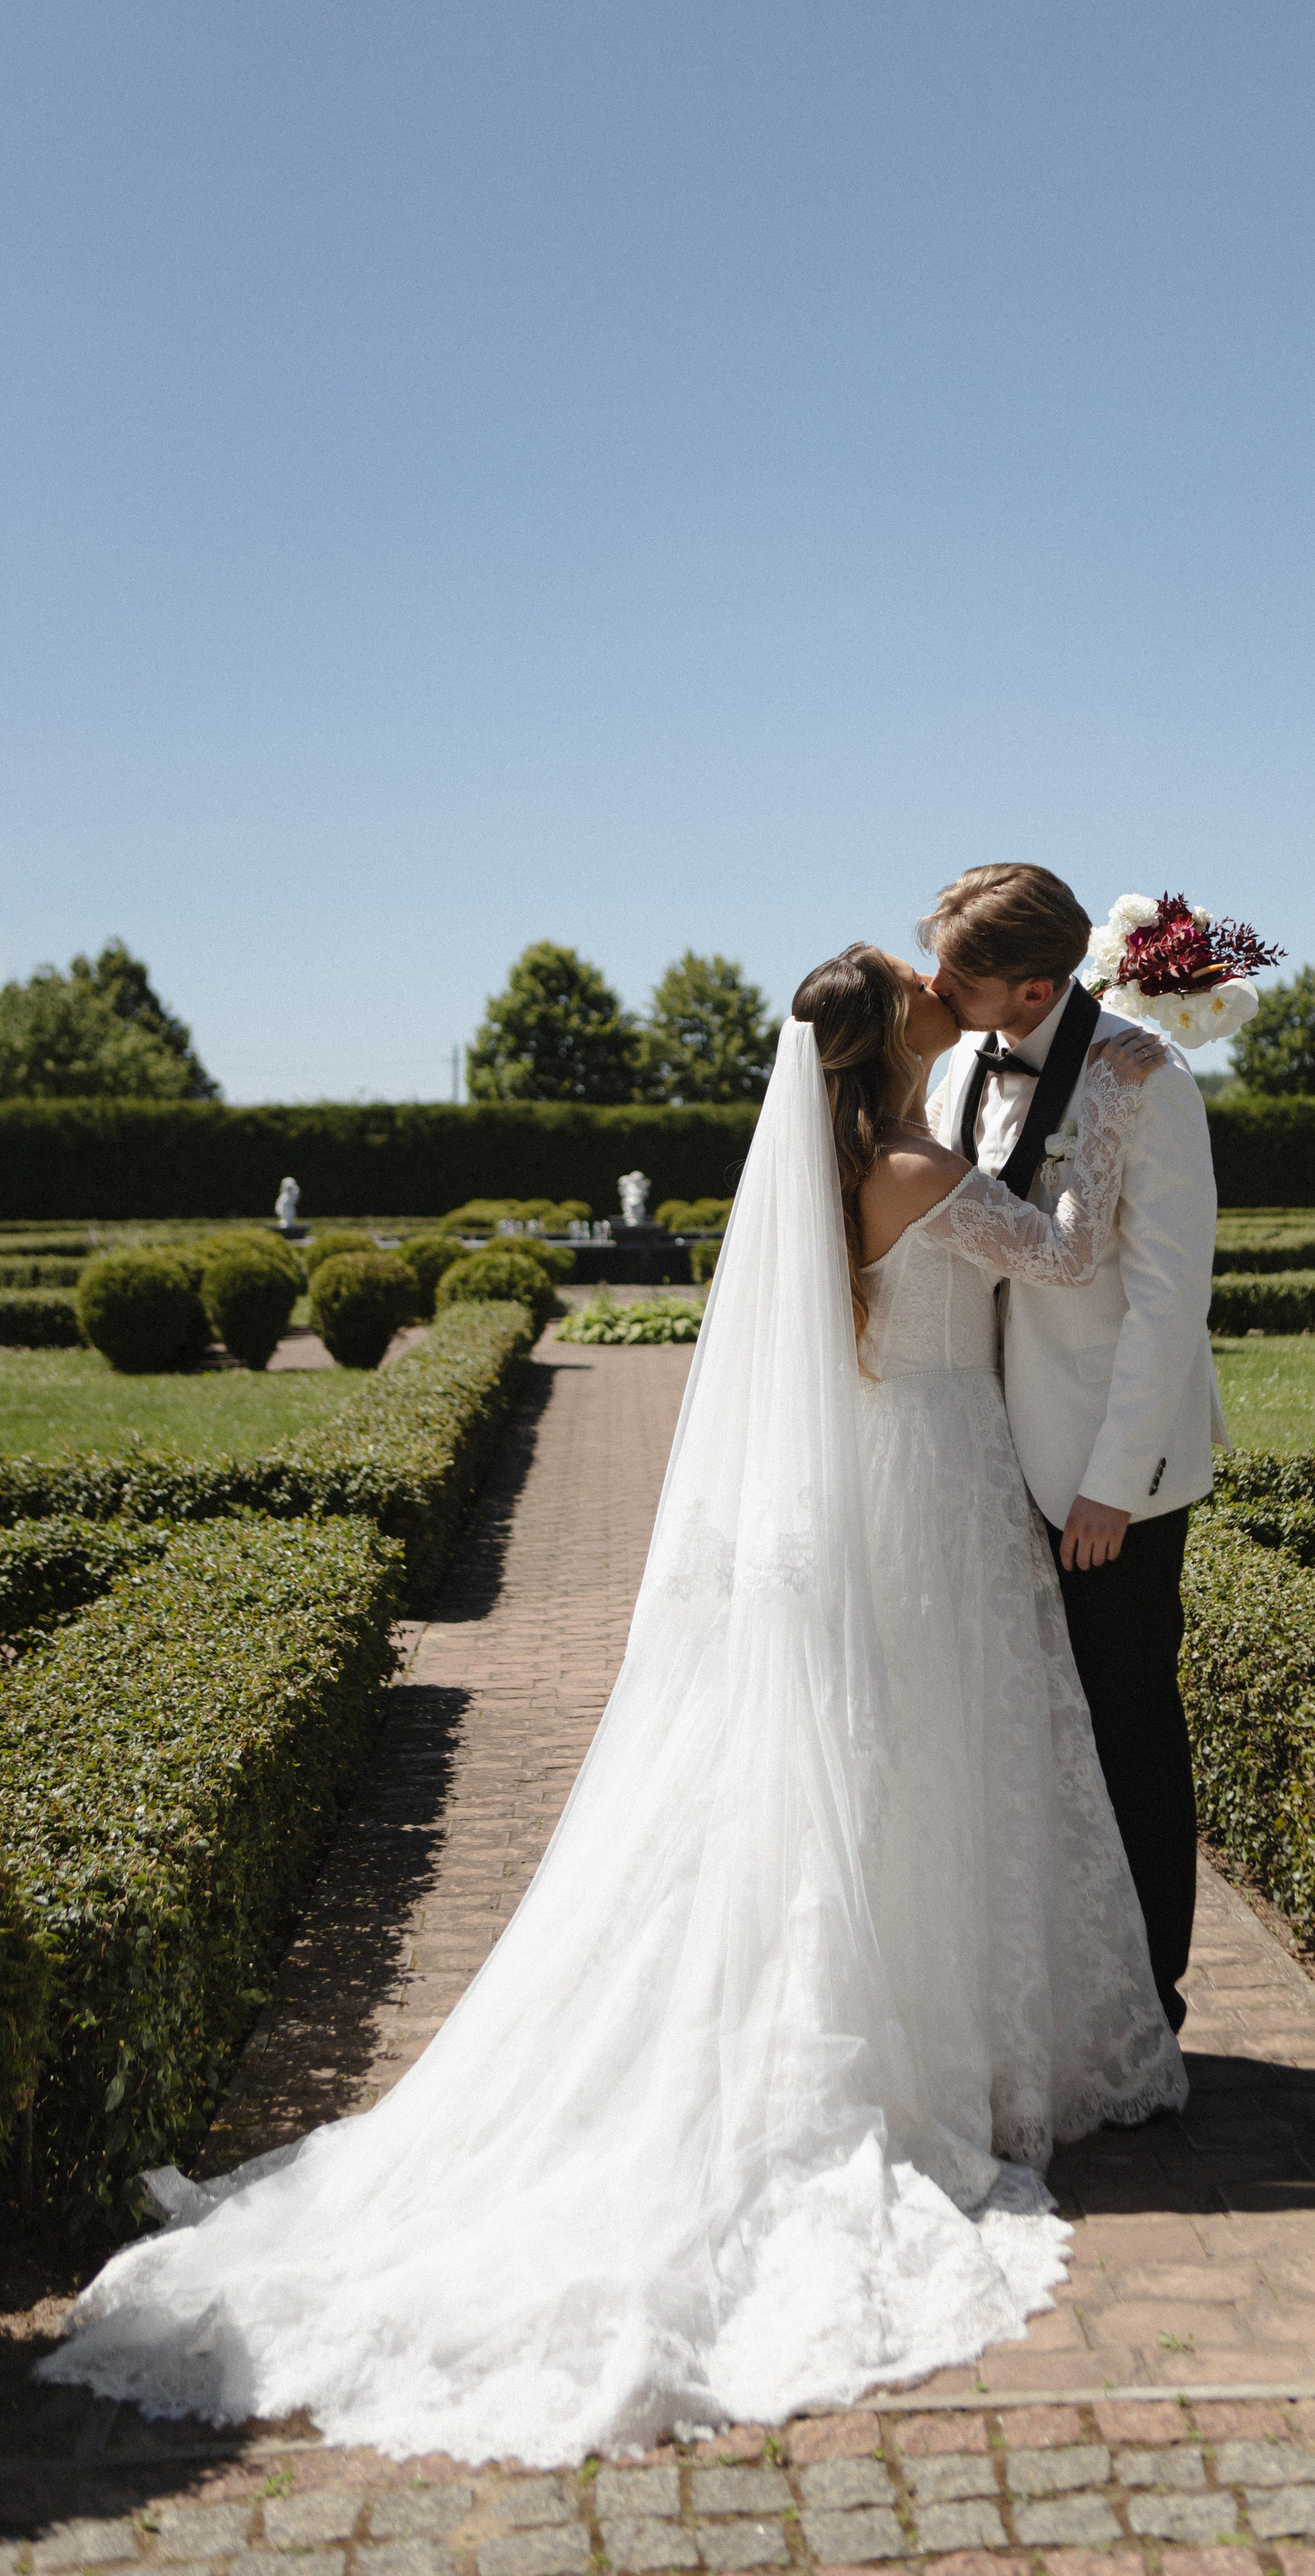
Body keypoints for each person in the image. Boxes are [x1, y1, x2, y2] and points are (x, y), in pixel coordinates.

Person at [40, 947, 1185, 2466]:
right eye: (922, 980)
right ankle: (937, 2044)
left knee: (903, 1768)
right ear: (891, 1036)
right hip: (934, 1484)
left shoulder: (844, 1165)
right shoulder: (911, 1165)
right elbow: (1065, 1251)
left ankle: (935, 2024)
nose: (940, 985)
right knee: (939, 1761)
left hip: (891, 1476)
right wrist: (1117, 1094)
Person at [922, 864, 1225, 2032]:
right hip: (984, 1453)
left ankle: (1153, 2000)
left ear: (1038, 982)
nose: (939, 985)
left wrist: (1115, 1487)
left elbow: (1167, 1302)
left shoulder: (1151, 1081)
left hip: (1110, 1478)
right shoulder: (960, 1062)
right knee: (1032, 1730)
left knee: (1129, 1721)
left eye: (964, 970)